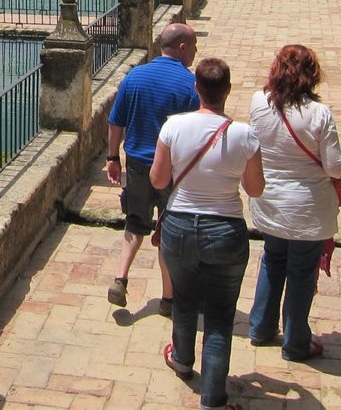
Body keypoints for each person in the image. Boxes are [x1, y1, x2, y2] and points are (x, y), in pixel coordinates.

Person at [151, 57, 264, 410]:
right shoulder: (245, 135)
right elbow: (255, 189)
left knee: (184, 300)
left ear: (196, 88)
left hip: (180, 225)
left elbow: (158, 179)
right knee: (219, 317)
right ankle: (212, 398)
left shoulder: (173, 126)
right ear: (227, 90)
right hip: (225, 228)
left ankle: (182, 359)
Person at [247, 45, 341, 362]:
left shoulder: (259, 102)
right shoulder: (319, 114)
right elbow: (335, 167)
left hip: (269, 202)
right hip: (307, 208)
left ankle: (261, 328)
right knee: (302, 273)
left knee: (272, 261)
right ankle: (295, 342)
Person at [106, 23, 200, 315]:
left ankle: (121, 278)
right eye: (194, 47)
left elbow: (115, 122)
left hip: (136, 164)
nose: (195, 52)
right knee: (168, 229)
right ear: (182, 48)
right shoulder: (190, 85)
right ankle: (168, 299)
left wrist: (112, 157)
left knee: (135, 221)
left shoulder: (134, 76)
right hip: (171, 169)